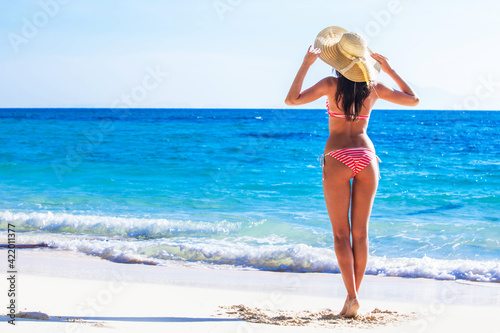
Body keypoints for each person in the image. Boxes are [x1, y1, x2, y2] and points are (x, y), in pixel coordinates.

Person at [285, 26, 419, 318]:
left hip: (338, 156)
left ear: (338, 61)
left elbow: (291, 100)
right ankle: (353, 298)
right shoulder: (374, 89)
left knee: (340, 235)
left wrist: (305, 65)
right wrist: (391, 70)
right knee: (361, 234)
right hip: (367, 156)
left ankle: (352, 296)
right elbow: (413, 99)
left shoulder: (330, 85)